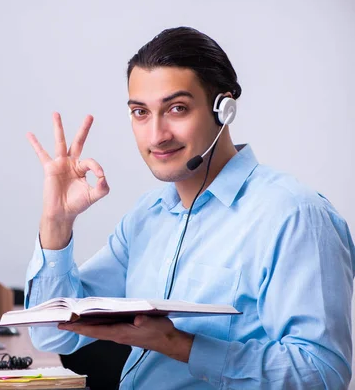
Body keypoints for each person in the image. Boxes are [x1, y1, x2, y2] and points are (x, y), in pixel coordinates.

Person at [24, 26, 355, 389]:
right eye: (140, 112)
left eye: (177, 109)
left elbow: (324, 375)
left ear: (224, 109)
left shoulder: (294, 216)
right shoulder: (147, 216)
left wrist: (178, 344)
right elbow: (52, 336)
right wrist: (57, 221)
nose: (157, 135)